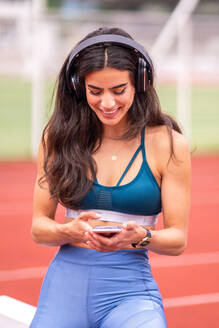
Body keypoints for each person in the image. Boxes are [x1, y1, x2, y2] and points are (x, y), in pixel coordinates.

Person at [30, 27, 191, 328]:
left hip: (129, 294)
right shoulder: (57, 139)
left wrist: (139, 237)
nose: (107, 103)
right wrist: (71, 232)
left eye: (118, 90)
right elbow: (39, 228)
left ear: (139, 83)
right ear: (79, 87)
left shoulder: (168, 144)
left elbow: (177, 239)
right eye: (95, 91)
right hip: (65, 289)